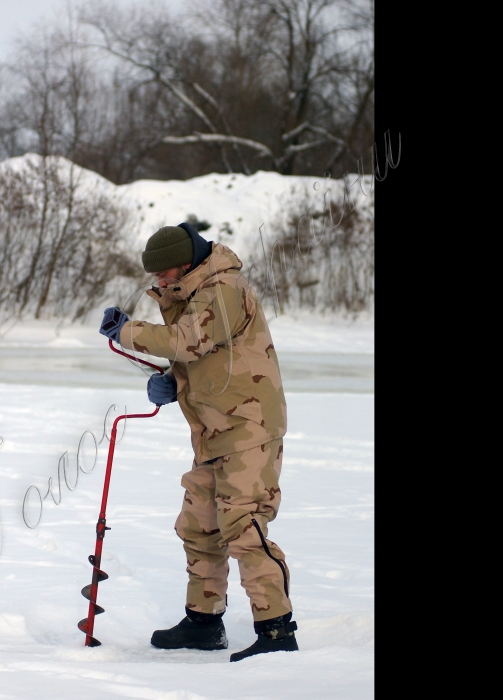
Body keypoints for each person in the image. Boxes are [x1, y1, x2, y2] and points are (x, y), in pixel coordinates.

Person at [98, 223, 297, 661]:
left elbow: (189, 340)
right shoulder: (193, 293)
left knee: (243, 525)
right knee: (199, 525)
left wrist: (128, 331)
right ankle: (204, 623)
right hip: (214, 432)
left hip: (248, 428)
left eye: (163, 274)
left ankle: (277, 631)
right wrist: (171, 383)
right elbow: (207, 360)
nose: (159, 283)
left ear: (184, 262)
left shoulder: (224, 287)